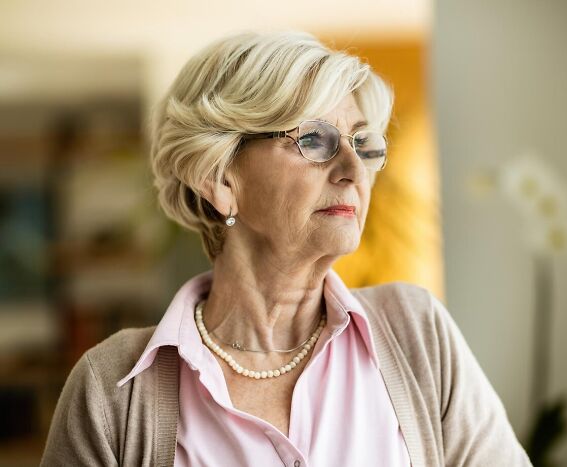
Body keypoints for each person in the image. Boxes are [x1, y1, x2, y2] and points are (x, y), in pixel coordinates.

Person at [40, 30, 532, 466]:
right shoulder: (110, 391)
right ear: (220, 178)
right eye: (315, 140)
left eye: (364, 145)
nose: (353, 171)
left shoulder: (417, 333)